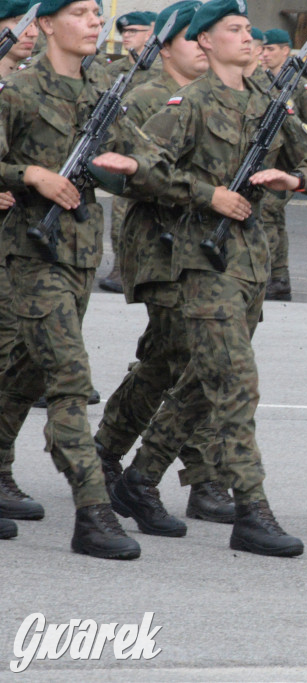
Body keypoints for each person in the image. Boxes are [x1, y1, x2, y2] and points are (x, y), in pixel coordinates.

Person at [91, 0, 307, 557]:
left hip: (251, 264)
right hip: (199, 264)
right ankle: (252, 511)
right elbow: (139, 168)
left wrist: (295, 179)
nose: (248, 37)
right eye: (234, 29)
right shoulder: (188, 104)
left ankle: (140, 477)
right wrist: (209, 195)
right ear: (204, 42)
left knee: (203, 383)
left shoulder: (270, 101)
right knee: (235, 383)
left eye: (249, 29)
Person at [0, 0, 167, 559]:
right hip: (29, 252)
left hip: (78, 257)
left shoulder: (103, 95)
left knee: (24, 373)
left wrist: (134, 168)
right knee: (69, 379)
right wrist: (31, 175)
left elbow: (150, 161)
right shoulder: (19, 91)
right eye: (81, 12)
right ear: (45, 24)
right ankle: (94, 513)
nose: (96, 20)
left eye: (99, 12)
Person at [91, 0, 236, 524]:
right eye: (191, 38)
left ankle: (109, 450)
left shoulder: (221, 95)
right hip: (160, 246)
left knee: (168, 361)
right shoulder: (151, 96)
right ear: (168, 43)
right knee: (191, 359)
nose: (201, 46)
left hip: (204, 251)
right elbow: (129, 174)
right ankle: (192, 476)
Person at [0, 0, 44, 526]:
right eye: (17, 25)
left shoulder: (27, 88)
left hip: (17, 244)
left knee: (15, 352)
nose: (28, 33)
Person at [260, 26, 307, 301]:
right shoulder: (265, 82)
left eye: (270, 49)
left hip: (290, 167)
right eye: (262, 49)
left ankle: (268, 275)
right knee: (273, 219)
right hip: (267, 164)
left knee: (267, 213)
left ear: (285, 51)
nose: (264, 54)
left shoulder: (301, 87)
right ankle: (279, 279)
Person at [97, 9, 159, 294]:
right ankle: (122, 268)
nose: (127, 37)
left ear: (152, 32)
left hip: (155, 149)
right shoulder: (113, 72)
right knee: (121, 208)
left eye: (134, 31)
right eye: (125, 32)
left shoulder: (162, 70)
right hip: (125, 149)